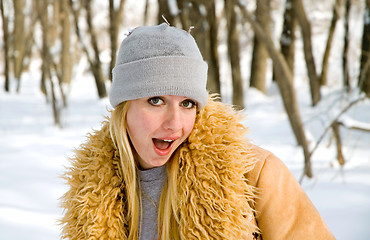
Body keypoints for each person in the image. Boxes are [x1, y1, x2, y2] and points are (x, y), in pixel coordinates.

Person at [60, 23, 335, 240]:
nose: (175, 123)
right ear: (124, 106)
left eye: (187, 103)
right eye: (156, 100)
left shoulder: (253, 175)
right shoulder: (91, 193)